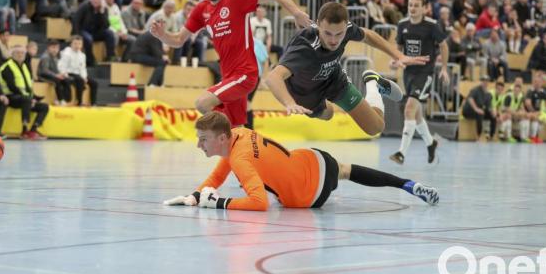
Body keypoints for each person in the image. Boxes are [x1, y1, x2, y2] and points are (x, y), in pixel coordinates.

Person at [163, 111, 439, 211]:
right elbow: (218, 175)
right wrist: (194, 196)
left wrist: (219, 203)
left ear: (222, 138)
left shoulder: (241, 159)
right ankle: (407, 185)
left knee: (341, 173)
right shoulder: (239, 134)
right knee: (345, 170)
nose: (199, 144)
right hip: (315, 161)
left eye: (203, 139)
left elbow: (259, 203)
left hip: (308, 196)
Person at [151, 0, 312, 127]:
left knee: (202, 103)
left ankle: (224, 131)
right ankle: (237, 139)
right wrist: (162, 35)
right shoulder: (201, 10)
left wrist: (296, 13)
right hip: (228, 77)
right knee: (236, 127)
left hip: (245, 73)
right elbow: (178, 40)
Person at [266, 2, 424, 136]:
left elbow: (368, 35)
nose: (333, 40)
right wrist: (289, 103)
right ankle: (323, 104)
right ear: (318, 24)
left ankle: (373, 84)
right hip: (304, 93)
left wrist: (398, 55)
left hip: (333, 79)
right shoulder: (305, 47)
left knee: (375, 128)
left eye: (339, 34)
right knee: (328, 114)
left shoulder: (347, 28)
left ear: (345, 27)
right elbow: (273, 77)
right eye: (328, 33)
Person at [390, 0, 449, 165]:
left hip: (425, 73)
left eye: (416, 5)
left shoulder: (431, 25)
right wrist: (396, 60)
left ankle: (401, 153)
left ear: (424, 8)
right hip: (408, 73)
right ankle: (431, 143)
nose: (413, 8)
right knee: (416, 114)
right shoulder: (402, 25)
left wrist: (444, 68)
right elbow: (398, 49)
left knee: (409, 108)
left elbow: (444, 45)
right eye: (410, 5)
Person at [0, 45, 49, 140]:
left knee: (44, 106)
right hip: (10, 97)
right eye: (17, 53)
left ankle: (33, 129)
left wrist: (33, 98)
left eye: (22, 53)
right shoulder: (7, 67)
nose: (20, 55)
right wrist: (29, 98)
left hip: (24, 98)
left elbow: (28, 86)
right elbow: (12, 87)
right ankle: (24, 131)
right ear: (12, 54)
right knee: (26, 99)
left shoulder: (25, 66)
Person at [72, 0, 115, 65]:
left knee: (110, 33)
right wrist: (76, 35)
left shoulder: (104, 9)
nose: (95, 0)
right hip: (83, 30)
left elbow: (106, 26)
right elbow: (76, 20)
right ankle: (90, 60)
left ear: (101, 0)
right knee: (89, 39)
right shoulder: (84, 6)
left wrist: (102, 13)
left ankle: (110, 57)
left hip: (96, 32)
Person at [58, 36, 99, 106]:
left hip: (79, 74)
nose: (77, 46)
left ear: (82, 45)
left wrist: (85, 77)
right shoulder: (66, 53)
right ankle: (79, 101)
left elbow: (83, 68)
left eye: (79, 44)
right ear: (71, 44)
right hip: (69, 73)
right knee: (80, 80)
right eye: (75, 43)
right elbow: (62, 66)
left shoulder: (82, 55)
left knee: (94, 83)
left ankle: (93, 103)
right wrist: (64, 74)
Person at [462, 75, 497, 142]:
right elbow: (470, 99)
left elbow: (489, 106)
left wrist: (493, 112)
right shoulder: (475, 90)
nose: (485, 82)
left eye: (486, 81)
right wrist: (476, 109)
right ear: (481, 82)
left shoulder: (488, 94)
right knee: (480, 114)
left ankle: (491, 136)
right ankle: (478, 136)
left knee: (493, 117)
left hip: (479, 111)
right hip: (468, 110)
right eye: (483, 81)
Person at [38, 40, 72, 105]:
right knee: (57, 80)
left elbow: (57, 69)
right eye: (53, 47)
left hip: (53, 75)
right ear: (49, 48)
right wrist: (56, 75)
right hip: (43, 76)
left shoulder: (55, 57)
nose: (55, 50)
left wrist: (61, 74)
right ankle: (60, 99)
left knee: (66, 80)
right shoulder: (45, 57)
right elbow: (44, 70)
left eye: (57, 48)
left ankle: (66, 99)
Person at [521, 74, 546, 144]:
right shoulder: (530, 91)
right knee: (535, 118)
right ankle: (531, 137)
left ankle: (536, 137)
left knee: (544, 118)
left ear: (541, 83)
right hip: (528, 112)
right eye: (535, 82)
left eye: (539, 82)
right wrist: (534, 112)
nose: (537, 83)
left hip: (538, 112)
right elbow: (528, 104)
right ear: (533, 83)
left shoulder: (543, 92)